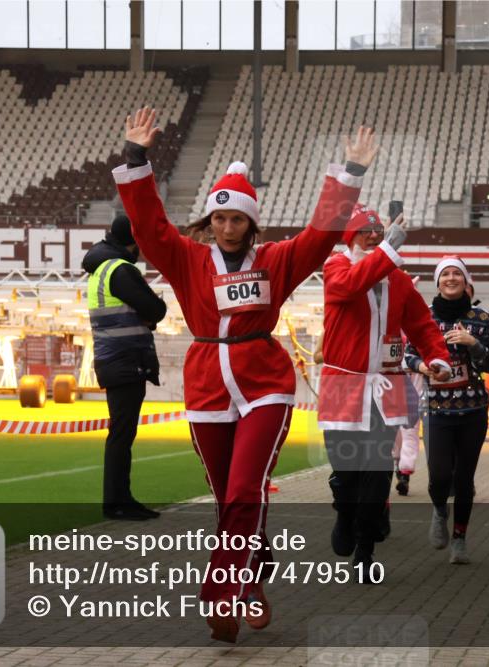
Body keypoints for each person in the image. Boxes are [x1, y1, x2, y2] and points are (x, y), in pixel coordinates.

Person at [113, 107, 376, 642]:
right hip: (208, 384)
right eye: (220, 218)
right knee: (227, 497)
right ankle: (250, 577)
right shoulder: (186, 258)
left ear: (252, 223)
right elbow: (148, 225)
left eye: (238, 220)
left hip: (264, 384)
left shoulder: (277, 260)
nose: (228, 228)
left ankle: (222, 597)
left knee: (242, 490)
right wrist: (136, 158)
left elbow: (321, 235)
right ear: (209, 221)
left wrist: (350, 173)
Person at [318, 204, 450, 582]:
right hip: (343, 387)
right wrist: (388, 251)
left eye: (378, 232)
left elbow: (422, 325)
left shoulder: (398, 279)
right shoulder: (336, 267)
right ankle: (344, 511)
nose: (373, 237)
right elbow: (350, 286)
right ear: (350, 237)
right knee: (346, 469)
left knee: (376, 470)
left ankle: (365, 550)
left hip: (386, 386)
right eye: (365, 231)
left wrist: (437, 357)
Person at [406, 256, 489, 565]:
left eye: (456, 273)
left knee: (464, 480)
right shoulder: (425, 317)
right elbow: (408, 355)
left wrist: (473, 343)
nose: (450, 278)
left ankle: (459, 538)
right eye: (444, 273)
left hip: (473, 409)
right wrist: (424, 367)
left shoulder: (481, 318)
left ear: (465, 280)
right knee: (439, 477)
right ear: (437, 281)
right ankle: (440, 509)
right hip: (436, 409)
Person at [82, 213, 167, 521]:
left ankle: (120, 499)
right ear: (133, 243)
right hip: (125, 360)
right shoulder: (121, 269)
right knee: (121, 434)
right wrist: (152, 312)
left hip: (115, 359)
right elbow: (155, 309)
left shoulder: (101, 269)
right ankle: (118, 502)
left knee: (121, 433)